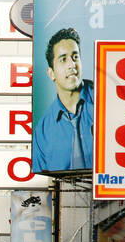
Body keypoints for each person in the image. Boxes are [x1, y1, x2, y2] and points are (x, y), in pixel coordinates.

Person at [32, 27, 95, 174]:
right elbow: (45, 179)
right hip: (66, 195)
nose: (72, 65)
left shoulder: (106, 100)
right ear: (51, 73)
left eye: (75, 57)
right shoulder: (43, 130)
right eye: (63, 59)